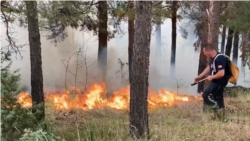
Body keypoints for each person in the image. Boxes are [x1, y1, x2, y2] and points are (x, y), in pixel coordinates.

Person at [194, 44, 231, 114]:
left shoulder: (220, 58)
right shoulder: (212, 58)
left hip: (220, 82)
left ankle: (216, 108)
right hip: (216, 81)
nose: (204, 54)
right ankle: (221, 113)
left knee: (206, 95)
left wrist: (212, 77)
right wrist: (200, 76)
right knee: (218, 97)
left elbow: (221, 73)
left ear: (209, 51)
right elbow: (209, 68)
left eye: (204, 52)